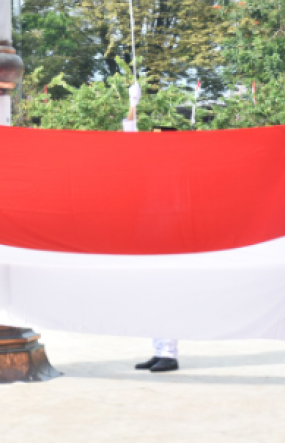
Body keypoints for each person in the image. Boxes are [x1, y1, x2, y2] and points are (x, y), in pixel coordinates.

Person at [122, 83, 180, 373]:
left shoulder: (178, 173)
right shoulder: (150, 167)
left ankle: (169, 353)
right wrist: (133, 104)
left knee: (166, 294)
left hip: (168, 238)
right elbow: (130, 138)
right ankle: (159, 349)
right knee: (151, 296)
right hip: (148, 236)